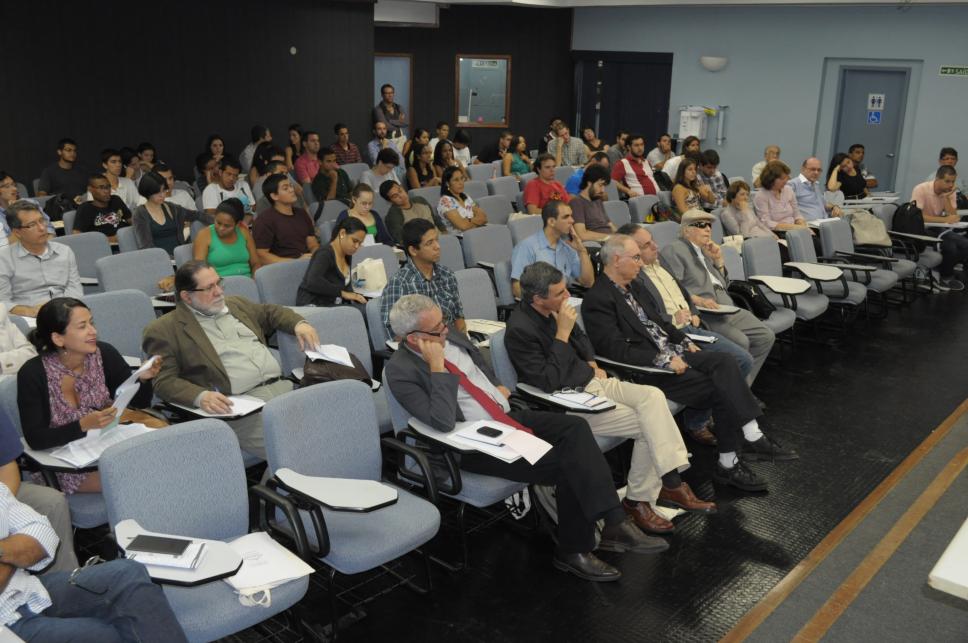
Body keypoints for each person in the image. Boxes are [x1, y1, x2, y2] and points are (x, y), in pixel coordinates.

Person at [388, 294, 669, 581]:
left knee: (575, 428)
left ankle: (613, 524)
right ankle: (576, 549)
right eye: (437, 329)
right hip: (472, 442)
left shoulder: (451, 336)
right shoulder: (399, 371)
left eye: (444, 322)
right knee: (568, 465)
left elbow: (477, 364)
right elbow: (442, 422)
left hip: (503, 416)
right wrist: (437, 368)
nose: (446, 330)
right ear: (413, 338)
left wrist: (496, 386)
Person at [506, 262, 715, 534]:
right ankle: (648, 495)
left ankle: (664, 486)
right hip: (568, 401)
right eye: (559, 293)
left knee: (653, 397)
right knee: (650, 425)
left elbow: (582, 338)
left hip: (593, 381)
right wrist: (562, 334)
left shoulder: (554, 309)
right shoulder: (519, 330)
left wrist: (591, 361)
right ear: (537, 298)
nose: (567, 296)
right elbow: (547, 380)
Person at [583, 235, 797, 491]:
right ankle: (732, 460)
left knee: (725, 361)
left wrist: (684, 340)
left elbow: (661, 323)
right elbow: (614, 350)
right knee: (722, 387)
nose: (641, 262)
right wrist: (664, 360)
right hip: (648, 369)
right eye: (636, 257)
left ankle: (750, 435)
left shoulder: (635, 286)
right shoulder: (598, 300)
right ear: (617, 260)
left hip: (673, 352)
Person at [143, 261, 319, 458]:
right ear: (186, 296)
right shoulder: (164, 330)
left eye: (219, 283)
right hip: (243, 410)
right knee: (301, 450)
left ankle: (277, 475)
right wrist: (200, 396)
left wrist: (299, 324)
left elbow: (271, 312)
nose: (219, 292)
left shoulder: (235, 305)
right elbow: (164, 381)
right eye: (209, 288)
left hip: (285, 391)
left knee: (331, 433)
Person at [0, 483, 188, 641]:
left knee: (127, 573)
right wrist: (14, 552)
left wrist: (4, 553)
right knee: (108, 634)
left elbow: (42, 532)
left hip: (27, 589)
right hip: (5, 624)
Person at [18, 298, 160, 495]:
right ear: (58, 338)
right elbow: (36, 439)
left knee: (163, 460)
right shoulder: (33, 374)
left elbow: (140, 402)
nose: (93, 331)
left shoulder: (105, 354)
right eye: (82, 326)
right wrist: (82, 425)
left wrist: (142, 379)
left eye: (91, 323)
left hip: (107, 445)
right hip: (64, 462)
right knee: (142, 477)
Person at [620, 224, 755, 382]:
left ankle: (730, 393)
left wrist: (693, 310)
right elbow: (644, 316)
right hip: (673, 333)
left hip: (693, 325)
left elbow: (681, 289)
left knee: (741, 359)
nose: (655, 246)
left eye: (653, 241)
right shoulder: (633, 278)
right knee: (740, 360)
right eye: (646, 245)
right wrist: (673, 318)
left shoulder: (659, 259)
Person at [660, 210, 776, 385]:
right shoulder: (674, 250)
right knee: (741, 342)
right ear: (686, 230)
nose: (708, 229)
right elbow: (671, 288)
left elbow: (724, 284)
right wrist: (697, 300)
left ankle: (742, 387)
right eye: (701, 225)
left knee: (765, 336)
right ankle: (737, 392)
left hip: (727, 306)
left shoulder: (704, 250)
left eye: (709, 225)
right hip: (706, 312)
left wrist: (718, 261)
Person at [381, 220, 466, 338]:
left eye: (436, 240)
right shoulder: (399, 283)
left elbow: (458, 316)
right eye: (429, 243)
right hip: (421, 345)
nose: (437, 246)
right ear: (413, 250)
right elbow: (395, 332)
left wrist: (464, 341)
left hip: (451, 340)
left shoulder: (447, 275)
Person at [0, 202, 82, 317]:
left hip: (66, 312)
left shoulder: (65, 251)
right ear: (17, 232)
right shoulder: (4, 260)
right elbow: (3, 302)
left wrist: (63, 310)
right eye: (32, 225)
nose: (42, 228)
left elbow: (75, 289)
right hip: (29, 316)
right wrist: (29, 311)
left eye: (42, 220)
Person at [511, 201, 594, 298]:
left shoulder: (567, 248)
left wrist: (582, 251)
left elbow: (588, 282)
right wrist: (543, 303)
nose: (572, 220)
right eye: (566, 217)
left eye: (571, 216)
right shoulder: (527, 247)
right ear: (551, 222)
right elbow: (517, 289)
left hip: (564, 300)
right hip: (540, 304)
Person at [912, 165, 967, 291]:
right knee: (950, 247)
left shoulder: (949, 191)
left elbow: (952, 214)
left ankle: (941, 273)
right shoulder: (921, 189)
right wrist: (944, 220)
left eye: (953, 181)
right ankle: (945, 276)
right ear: (937, 179)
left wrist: (947, 197)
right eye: (947, 181)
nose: (951, 185)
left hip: (936, 227)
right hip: (920, 228)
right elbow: (918, 217)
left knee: (965, 244)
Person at [132, 172, 212, 255]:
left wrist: (218, 223)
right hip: (158, 258)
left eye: (163, 190)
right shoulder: (140, 214)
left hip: (180, 254)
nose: (162, 195)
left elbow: (197, 215)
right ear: (147, 192)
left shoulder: (172, 208)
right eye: (157, 192)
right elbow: (146, 247)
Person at [296, 217, 368, 309]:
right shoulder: (325, 253)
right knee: (361, 311)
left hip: (332, 304)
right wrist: (343, 294)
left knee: (369, 308)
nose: (357, 246)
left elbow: (345, 286)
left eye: (360, 243)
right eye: (354, 241)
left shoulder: (347, 255)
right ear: (342, 233)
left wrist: (358, 294)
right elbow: (312, 281)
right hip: (313, 304)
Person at [252, 174, 318, 263]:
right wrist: (295, 262)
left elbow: (312, 244)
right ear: (274, 196)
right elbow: (262, 255)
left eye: (291, 186)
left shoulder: (302, 213)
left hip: (307, 262)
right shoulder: (264, 221)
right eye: (285, 188)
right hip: (283, 267)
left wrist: (316, 255)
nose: (292, 190)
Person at [193, 198, 260, 278]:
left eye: (227, 226)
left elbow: (256, 263)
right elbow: (200, 270)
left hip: (247, 280)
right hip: (219, 282)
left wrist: (254, 280)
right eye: (218, 223)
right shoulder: (204, 235)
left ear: (238, 224)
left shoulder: (243, 232)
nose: (221, 228)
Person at [753, 160, 810, 234]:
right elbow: (766, 223)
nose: (786, 181)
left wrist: (803, 226)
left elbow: (797, 214)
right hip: (777, 232)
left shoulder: (788, 190)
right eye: (782, 179)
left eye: (786, 177)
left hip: (795, 229)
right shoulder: (761, 196)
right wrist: (795, 227)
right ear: (771, 179)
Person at [381, 181, 446, 245]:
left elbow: (435, 219)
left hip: (440, 238)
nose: (401, 196)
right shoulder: (393, 216)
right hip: (423, 246)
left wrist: (444, 232)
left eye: (400, 191)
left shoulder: (420, 200)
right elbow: (401, 240)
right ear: (390, 201)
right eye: (395, 196)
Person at [0, 173, 55, 246]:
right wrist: (14, 213)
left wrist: (45, 246)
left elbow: (49, 229)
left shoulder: (30, 203)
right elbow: (6, 244)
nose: (14, 189)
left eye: (14, 185)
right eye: (7, 186)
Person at [73, 175, 132, 240]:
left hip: (126, 238)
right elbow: (77, 236)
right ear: (90, 189)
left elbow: (131, 220)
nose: (107, 191)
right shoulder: (85, 209)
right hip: (105, 244)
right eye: (101, 188)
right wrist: (111, 239)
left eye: (108, 187)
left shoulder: (116, 200)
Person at [569, 164, 615, 242]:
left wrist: (621, 236)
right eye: (600, 185)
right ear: (589, 183)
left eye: (604, 186)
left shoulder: (597, 200)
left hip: (611, 242)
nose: (603, 190)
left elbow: (610, 224)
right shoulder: (576, 202)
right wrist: (611, 237)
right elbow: (582, 234)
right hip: (598, 244)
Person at [790, 157, 844, 222]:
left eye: (819, 170)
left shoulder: (815, 184)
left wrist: (834, 207)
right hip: (808, 225)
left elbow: (824, 204)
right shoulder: (793, 184)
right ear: (803, 169)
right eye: (813, 169)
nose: (816, 172)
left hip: (823, 222)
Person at [437, 166, 487, 231]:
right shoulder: (445, 201)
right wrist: (477, 221)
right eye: (456, 180)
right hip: (460, 236)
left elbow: (484, 218)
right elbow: (463, 226)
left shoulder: (466, 196)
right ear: (447, 183)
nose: (461, 183)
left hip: (477, 231)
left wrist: (468, 220)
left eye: (462, 178)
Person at [611, 134, 658, 198]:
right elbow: (612, 181)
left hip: (657, 199)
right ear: (629, 147)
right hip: (639, 201)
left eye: (642, 144)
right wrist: (628, 191)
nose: (640, 148)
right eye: (636, 145)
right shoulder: (622, 163)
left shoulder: (646, 162)